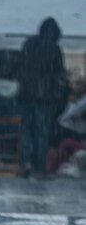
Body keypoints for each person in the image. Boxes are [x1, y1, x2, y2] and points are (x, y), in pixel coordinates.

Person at [16, 17, 67, 177]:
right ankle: (40, 166)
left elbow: (19, 67)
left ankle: (26, 162)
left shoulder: (29, 44)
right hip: (45, 98)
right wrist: (58, 95)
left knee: (26, 131)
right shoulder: (55, 49)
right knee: (42, 132)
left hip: (27, 95)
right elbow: (59, 74)